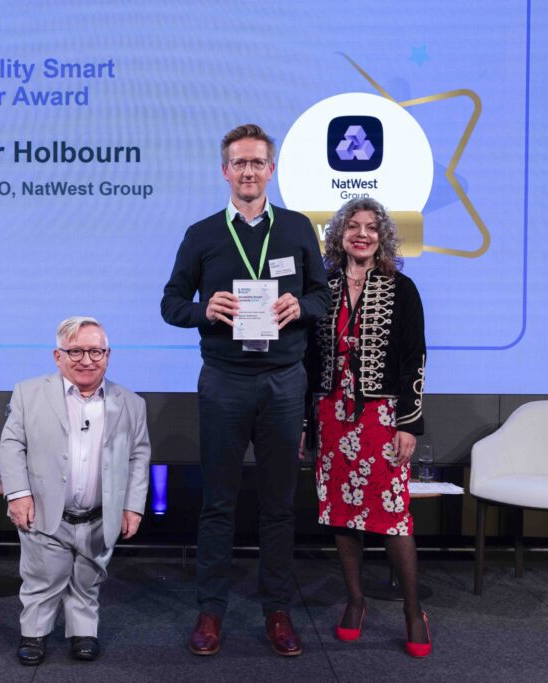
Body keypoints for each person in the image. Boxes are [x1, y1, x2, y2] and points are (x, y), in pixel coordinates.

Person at [161, 124, 331, 657]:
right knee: (218, 503)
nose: (249, 171)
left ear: (271, 170)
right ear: (225, 171)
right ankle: (211, 612)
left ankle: (276, 611)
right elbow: (170, 304)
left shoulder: (300, 229)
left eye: (258, 163)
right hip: (224, 382)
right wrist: (202, 310)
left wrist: (299, 306)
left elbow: (324, 298)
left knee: (279, 506)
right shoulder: (203, 234)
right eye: (240, 163)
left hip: (284, 383)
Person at [312, 197, 430, 657]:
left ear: (383, 237)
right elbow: (309, 358)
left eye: (371, 228)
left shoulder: (402, 288)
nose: (362, 234)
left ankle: (412, 611)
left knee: (393, 516)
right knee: (342, 512)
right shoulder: (321, 286)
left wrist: (409, 424)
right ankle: (356, 601)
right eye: (353, 226)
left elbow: (414, 358)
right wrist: (307, 419)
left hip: (382, 418)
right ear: (339, 235)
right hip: (331, 414)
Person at [0, 316, 151, 665]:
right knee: (42, 576)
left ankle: (84, 632)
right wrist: (18, 493)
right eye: (76, 351)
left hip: (100, 515)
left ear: (108, 355)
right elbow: (11, 445)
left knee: (88, 577)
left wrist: (133, 506)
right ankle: (34, 635)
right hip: (46, 510)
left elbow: (139, 455)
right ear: (58, 356)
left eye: (95, 351)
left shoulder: (130, 402)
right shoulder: (28, 393)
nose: (87, 359)